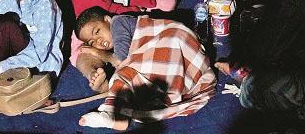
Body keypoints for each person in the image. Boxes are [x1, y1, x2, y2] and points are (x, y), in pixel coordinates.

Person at [75, 7, 216, 130]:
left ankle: (114, 112)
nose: (98, 41)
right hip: (190, 57)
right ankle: (120, 112)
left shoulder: (118, 22)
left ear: (107, 20)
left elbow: (122, 60)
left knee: (126, 73)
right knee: (141, 84)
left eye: (97, 31)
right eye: (92, 42)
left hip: (176, 38)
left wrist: (98, 53)